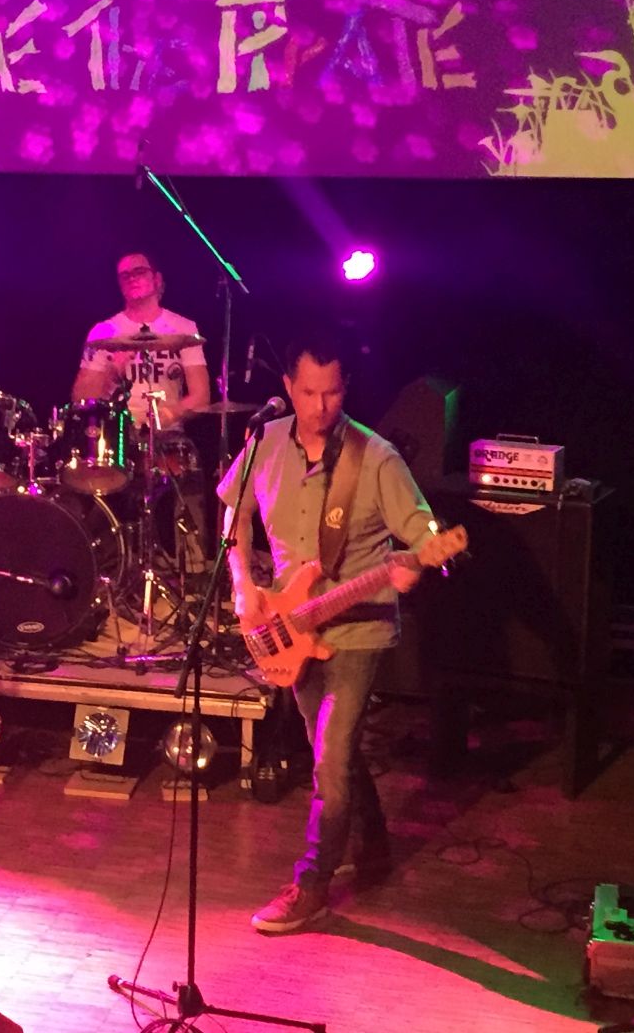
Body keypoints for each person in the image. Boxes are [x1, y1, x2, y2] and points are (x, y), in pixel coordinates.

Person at [218, 331, 437, 934]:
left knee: (332, 762)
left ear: (346, 389)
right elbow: (233, 516)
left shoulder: (376, 457)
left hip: (359, 631)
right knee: (329, 754)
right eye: (308, 392)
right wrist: (243, 583)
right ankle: (373, 845)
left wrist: (418, 562)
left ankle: (311, 885)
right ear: (288, 387)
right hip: (291, 627)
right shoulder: (264, 442)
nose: (320, 406)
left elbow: (423, 532)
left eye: (332, 392)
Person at [72, 250, 212, 568]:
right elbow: (80, 397)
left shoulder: (182, 328)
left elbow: (202, 396)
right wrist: (112, 372)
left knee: (189, 466)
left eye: (139, 271)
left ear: (157, 279)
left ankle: (191, 568)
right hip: (120, 436)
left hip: (167, 434)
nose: (132, 278)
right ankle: (113, 567)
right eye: (124, 275)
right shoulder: (104, 331)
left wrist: (170, 413)